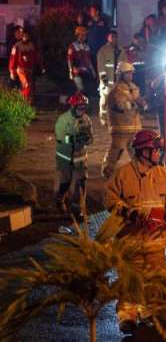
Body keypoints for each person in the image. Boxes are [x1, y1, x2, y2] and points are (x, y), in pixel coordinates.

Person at [105, 129, 166, 334]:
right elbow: (111, 200)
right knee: (130, 281)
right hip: (130, 242)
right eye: (154, 150)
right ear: (142, 151)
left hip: (156, 242)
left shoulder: (164, 175)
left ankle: (149, 314)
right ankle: (128, 317)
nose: (158, 154)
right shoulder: (123, 175)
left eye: (158, 150)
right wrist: (129, 213)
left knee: (154, 281)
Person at [102, 61, 146, 178]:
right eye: (127, 73)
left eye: (131, 73)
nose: (130, 76)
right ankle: (107, 172)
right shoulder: (116, 90)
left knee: (136, 152)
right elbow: (120, 106)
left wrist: (143, 103)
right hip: (120, 128)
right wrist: (136, 103)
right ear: (121, 75)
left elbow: (139, 102)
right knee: (116, 152)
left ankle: (140, 172)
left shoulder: (134, 87)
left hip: (134, 128)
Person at [55, 92, 93, 223]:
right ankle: (60, 198)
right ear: (73, 106)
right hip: (66, 156)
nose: (82, 109)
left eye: (84, 106)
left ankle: (78, 210)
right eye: (80, 106)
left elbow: (90, 137)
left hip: (80, 157)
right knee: (66, 181)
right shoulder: (63, 120)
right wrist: (74, 138)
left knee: (81, 183)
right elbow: (60, 138)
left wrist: (87, 139)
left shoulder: (86, 119)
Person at [8, 28, 44, 103]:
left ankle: (27, 102)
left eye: (27, 35)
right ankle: (24, 102)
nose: (25, 37)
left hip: (30, 70)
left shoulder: (31, 46)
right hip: (21, 69)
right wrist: (12, 70)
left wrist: (40, 67)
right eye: (24, 35)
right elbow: (13, 59)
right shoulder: (17, 46)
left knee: (29, 87)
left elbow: (36, 58)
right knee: (26, 85)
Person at [67, 26, 97, 94]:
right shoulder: (73, 45)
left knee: (87, 91)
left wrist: (93, 71)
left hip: (86, 72)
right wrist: (71, 71)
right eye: (83, 34)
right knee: (80, 90)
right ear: (79, 35)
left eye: (85, 34)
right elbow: (69, 59)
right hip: (77, 72)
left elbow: (89, 60)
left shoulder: (87, 46)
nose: (85, 36)